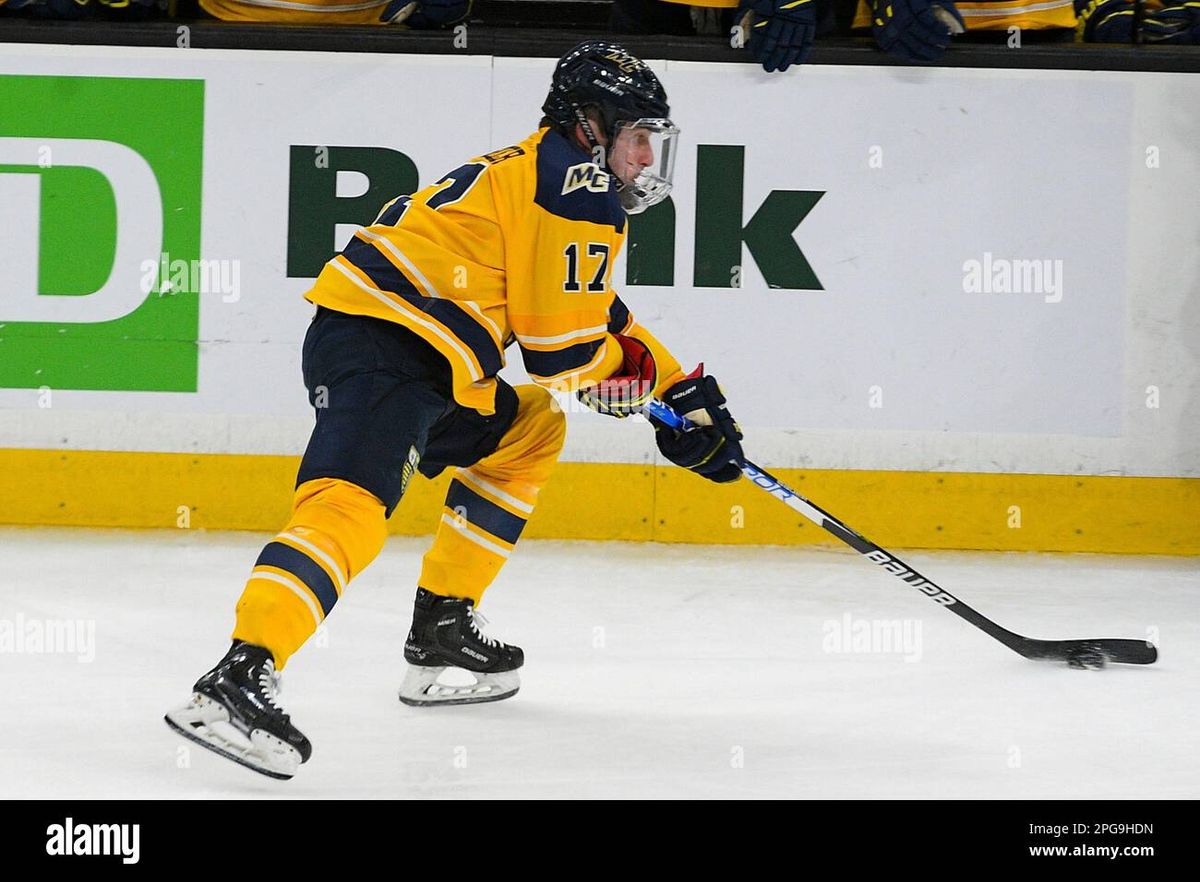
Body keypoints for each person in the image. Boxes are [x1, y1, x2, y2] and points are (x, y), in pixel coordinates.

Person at [164, 40, 746, 781]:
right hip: (389, 348)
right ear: (591, 125)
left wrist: (677, 386)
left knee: (529, 428)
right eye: (635, 136)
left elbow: (597, 316)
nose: (643, 157)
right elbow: (565, 354)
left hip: (417, 354)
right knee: (350, 506)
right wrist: (645, 390)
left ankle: (442, 624)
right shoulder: (574, 187)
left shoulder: (545, 170)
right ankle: (238, 675)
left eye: (649, 140)